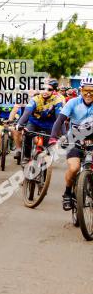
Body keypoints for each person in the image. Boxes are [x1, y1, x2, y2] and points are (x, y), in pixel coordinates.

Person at [49, 81, 93, 210]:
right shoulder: (73, 102)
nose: (89, 94)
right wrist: (52, 137)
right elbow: (60, 120)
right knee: (74, 168)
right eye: (86, 91)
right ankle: (67, 193)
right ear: (81, 90)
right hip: (74, 139)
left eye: (92, 91)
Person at [16, 79, 64, 161]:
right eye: (43, 89)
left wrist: (64, 134)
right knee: (27, 134)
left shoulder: (57, 100)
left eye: (49, 89)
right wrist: (19, 124)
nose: (45, 91)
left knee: (47, 146)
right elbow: (27, 112)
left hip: (49, 125)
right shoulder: (35, 99)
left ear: (54, 91)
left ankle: (45, 162)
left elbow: (59, 118)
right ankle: (26, 157)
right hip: (34, 122)